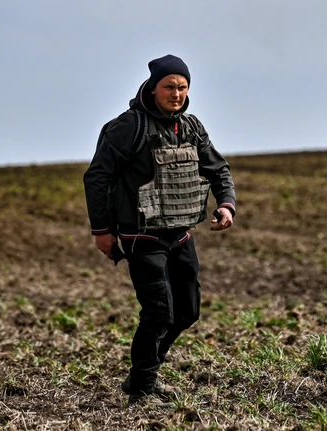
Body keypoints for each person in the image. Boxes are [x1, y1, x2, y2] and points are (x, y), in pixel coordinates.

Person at [82, 54, 236, 408]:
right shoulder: (128, 127)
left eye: (183, 87)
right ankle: (142, 386)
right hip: (142, 235)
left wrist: (226, 204)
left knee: (188, 311)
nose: (177, 93)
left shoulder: (192, 127)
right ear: (154, 89)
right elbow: (97, 177)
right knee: (159, 312)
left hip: (180, 235)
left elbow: (219, 169)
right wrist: (101, 230)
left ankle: (145, 368)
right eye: (170, 86)